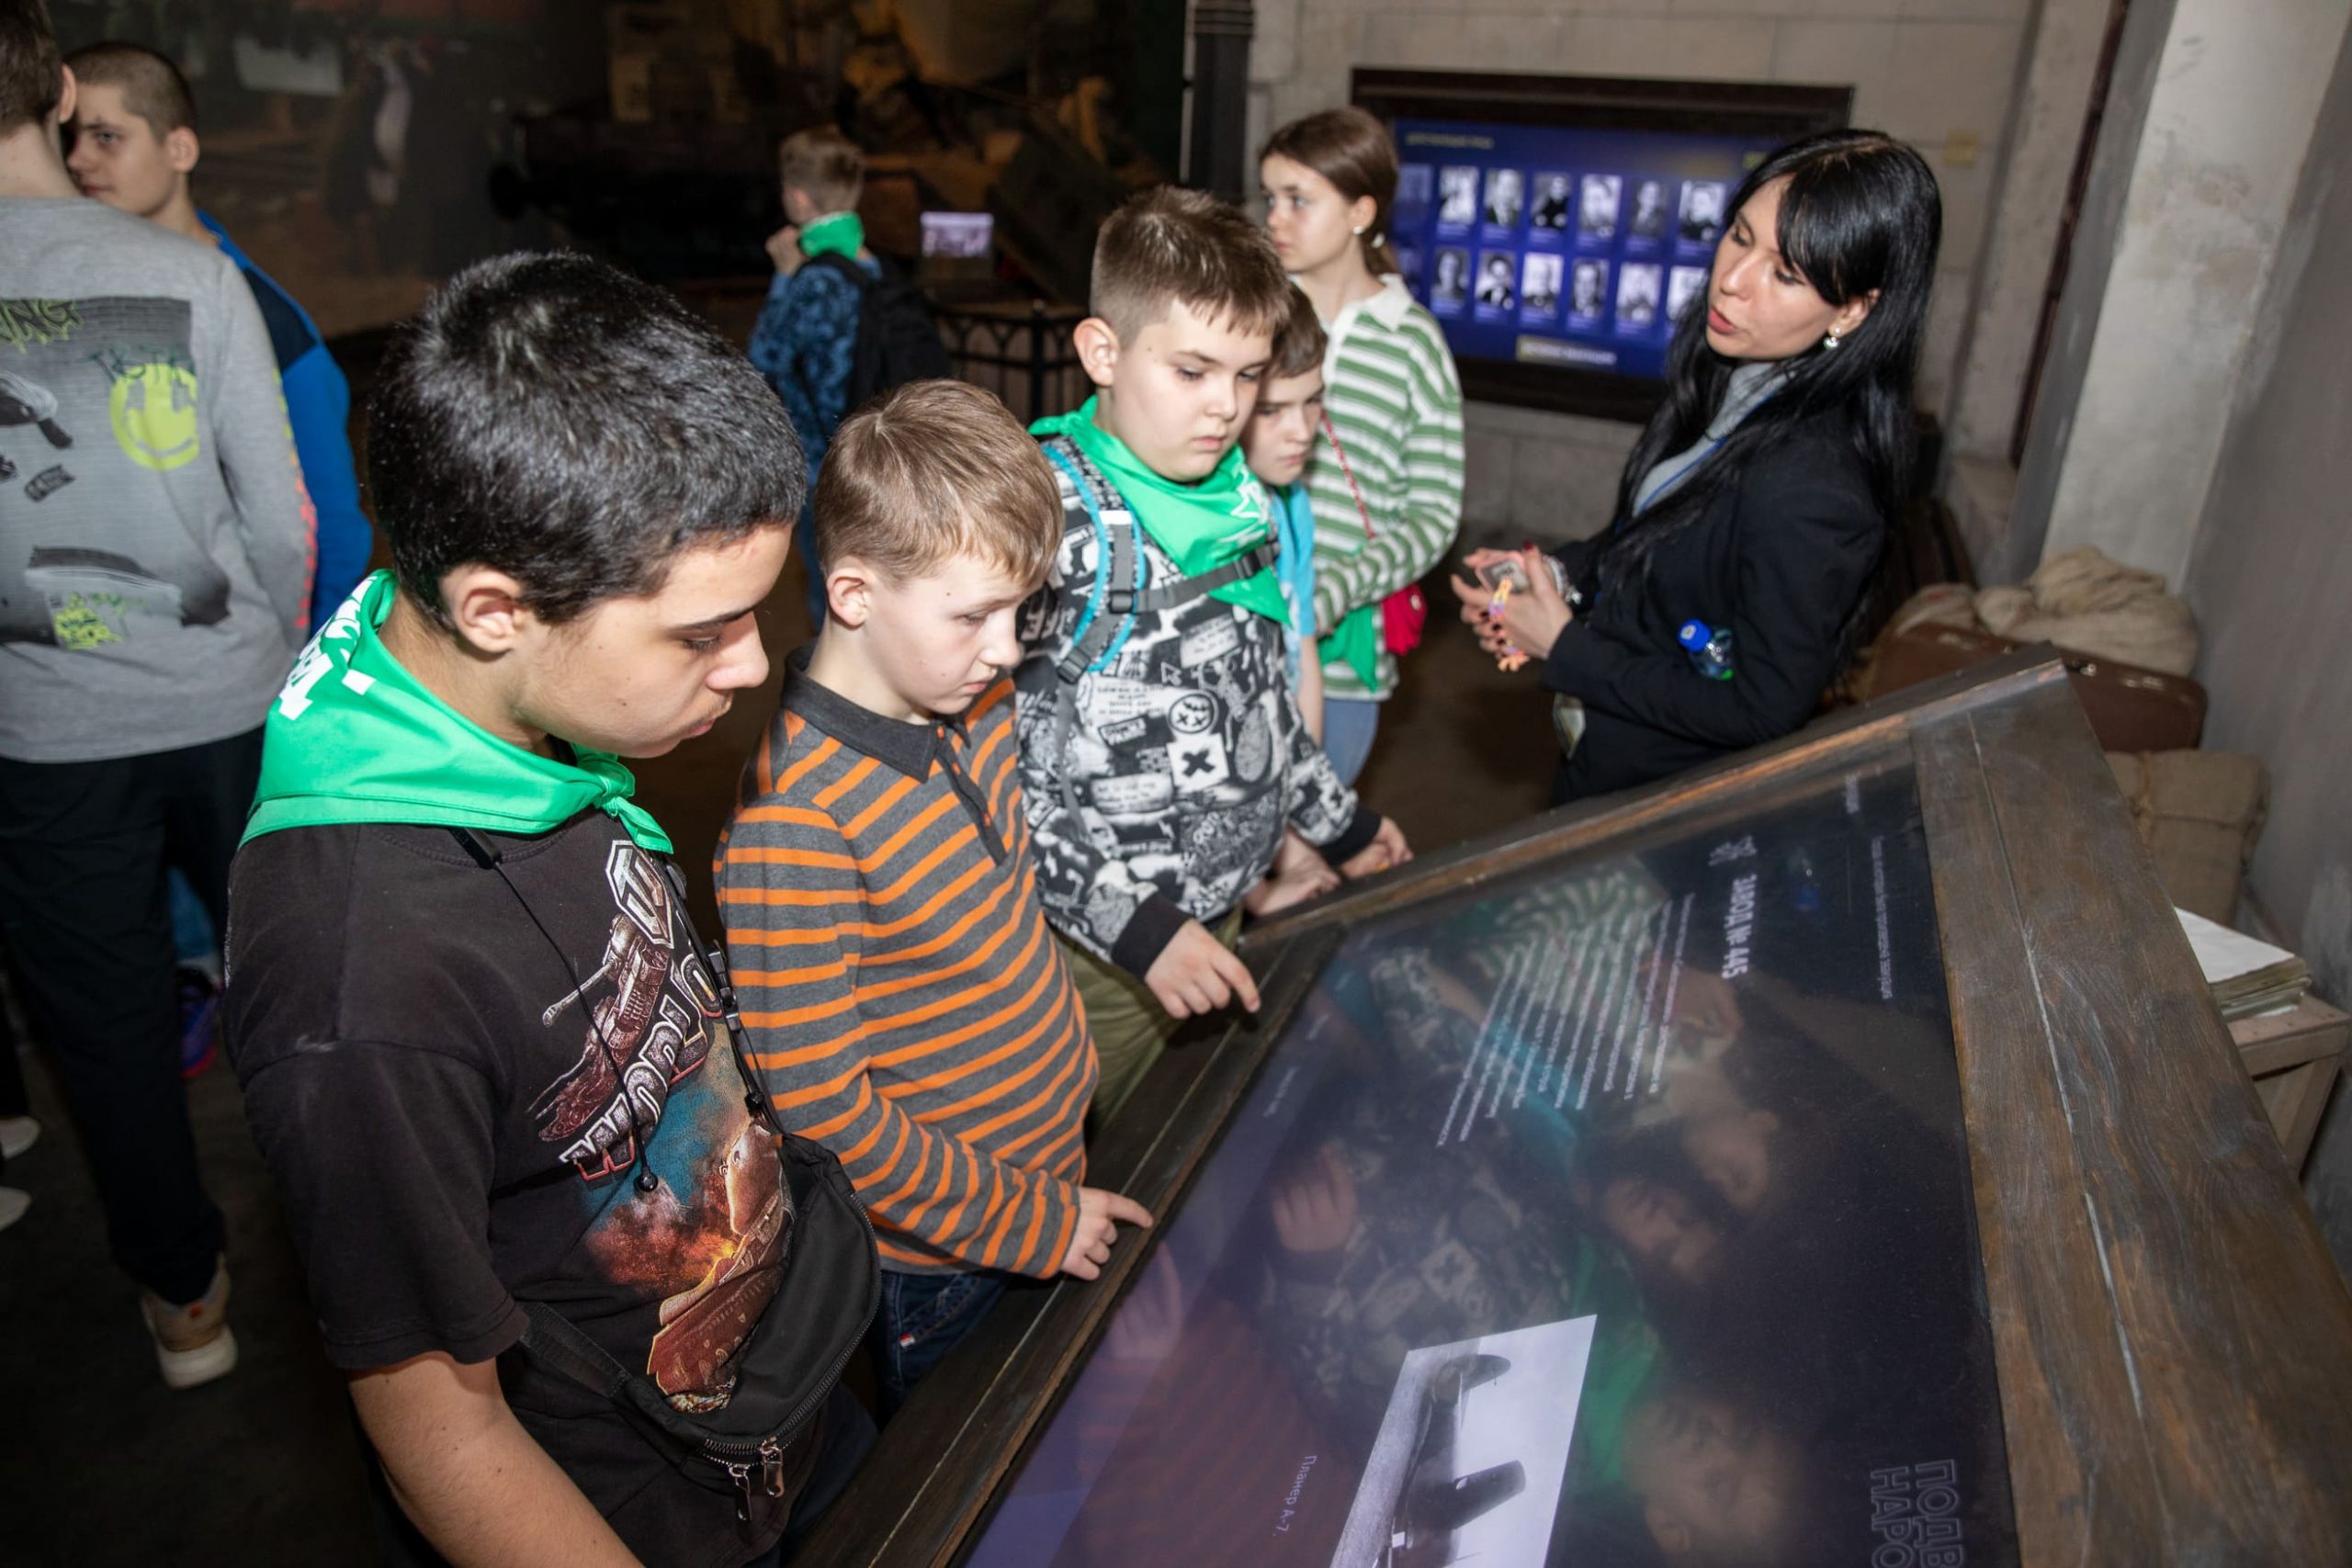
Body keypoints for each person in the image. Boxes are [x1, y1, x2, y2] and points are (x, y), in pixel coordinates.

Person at [222, 253, 878, 1568]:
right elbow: (443, 1429)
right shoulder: (360, 984)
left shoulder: (522, 708)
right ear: (495, 609)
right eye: (702, 632)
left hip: (779, 1394)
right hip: (639, 1500)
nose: (753, 665)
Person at [717, 378, 1153, 1416]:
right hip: (948, 1261)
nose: (1007, 648)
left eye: (1019, 610)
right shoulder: (796, 823)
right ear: (855, 593)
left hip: (1049, 1167)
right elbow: (827, 1115)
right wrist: (1032, 1223)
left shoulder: (971, 696)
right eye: (974, 615)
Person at [0, 0, 312, 1390]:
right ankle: (357, 1238)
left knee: (106, 1027)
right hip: (226, 697)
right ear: (60, 89)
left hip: (40, 728)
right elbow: (280, 511)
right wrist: (269, 645)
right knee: (298, 980)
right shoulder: (185, 271)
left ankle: (187, 1303)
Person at [1015, 186, 1409, 1119]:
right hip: (1101, 957)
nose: (1226, 408)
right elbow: (1007, 781)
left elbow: (1260, 706)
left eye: (1247, 374)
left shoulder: (1239, 501)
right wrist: (1140, 932)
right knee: (1081, 1145)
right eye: (1192, 371)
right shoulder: (1051, 526)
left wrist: (1340, 825)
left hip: (1222, 911)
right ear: (1102, 352)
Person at [1452, 130, 1942, 805]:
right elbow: (1656, 532)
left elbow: (1762, 707)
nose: (1732, 280)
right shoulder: (1732, 371)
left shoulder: (1817, 486)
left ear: (1853, 310)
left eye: (1785, 275)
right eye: (1740, 236)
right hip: (1602, 752)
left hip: (1660, 801)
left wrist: (1564, 648)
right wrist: (1559, 575)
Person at [65, 40, 371, 635]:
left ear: (179, 149)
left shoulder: (268, 321)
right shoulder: (76, 299)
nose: (78, 160)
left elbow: (332, 528)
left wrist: (296, 664)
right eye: (69, 138)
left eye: (106, 137)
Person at [1261, 107, 1466, 786]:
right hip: (1238, 629)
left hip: (1344, 656)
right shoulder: (1254, 320)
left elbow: (1432, 513)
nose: (1275, 218)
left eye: (1298, 199)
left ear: (1360, 212)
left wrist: (1336, 588)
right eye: (1270, 198)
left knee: (1315, 831)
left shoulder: (1412, 343)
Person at [1237, 291, 1344, 919]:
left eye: (1313, 401)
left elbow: (1302, 658)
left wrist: (1301, 832)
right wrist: (1255, 889)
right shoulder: (1220, 526)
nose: (1302, 431)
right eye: (1273, 409)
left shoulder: (1290, 502)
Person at [748, 124, 878, 626]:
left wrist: (783, 277)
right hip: (868, 445)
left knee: (829, 588)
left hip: (820, 459)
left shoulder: (815, 278)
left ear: (799, 198)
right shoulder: (869, 263)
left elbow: (763, 357)